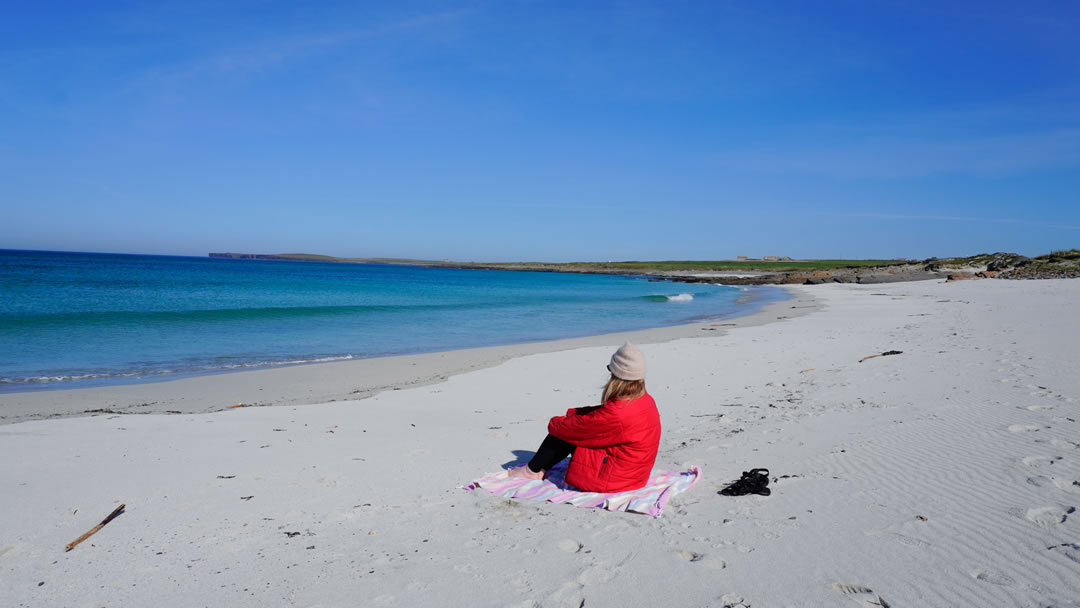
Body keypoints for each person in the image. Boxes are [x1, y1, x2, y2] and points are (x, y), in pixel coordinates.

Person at [508, 342, 661, 493]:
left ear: (617, 375)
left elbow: (575, 427)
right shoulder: (645, 400)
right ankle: (539, 468)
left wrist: (555, 421)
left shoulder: (617, 412)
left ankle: (531, 471)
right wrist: (574, 413)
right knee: (570, 427)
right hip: (636, 475)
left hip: (616, 479)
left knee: (562, 432)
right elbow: (601, 415)